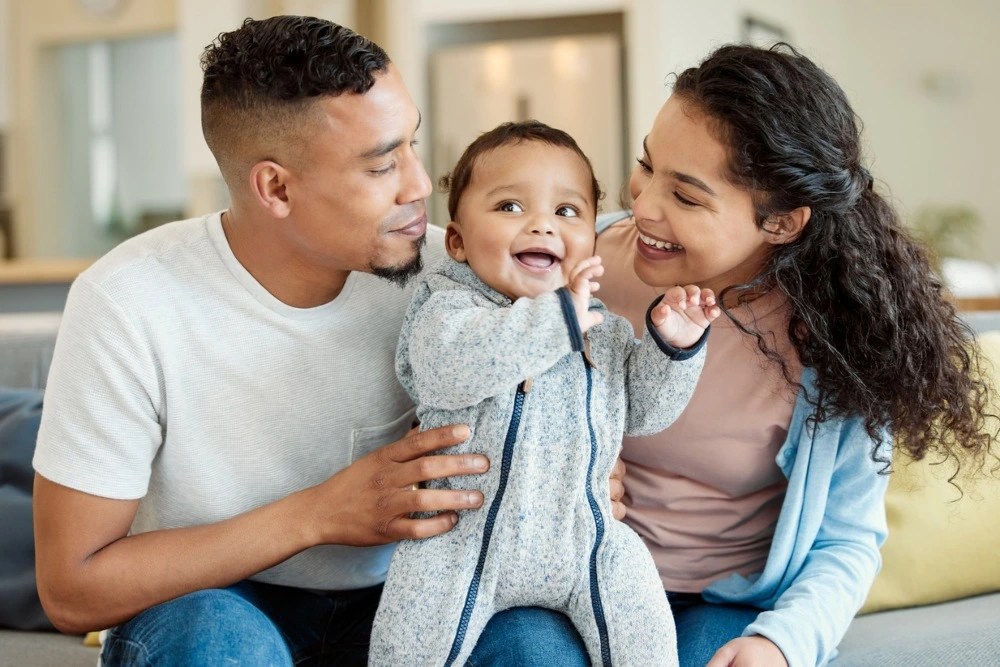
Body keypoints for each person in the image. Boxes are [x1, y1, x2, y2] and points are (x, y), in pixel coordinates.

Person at [31, 16, 592, 666]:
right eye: (383, 164)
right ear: (275, 187)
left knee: (538, 645)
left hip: (416, 593)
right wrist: (318, 514)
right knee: (215, 639)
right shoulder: (128, 301)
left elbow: (609, 282)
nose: (419, 185)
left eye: (412, 144)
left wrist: (582, 467)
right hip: (212, 600)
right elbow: (71, 588)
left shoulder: (459, 271)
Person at [596, 43, 995, 667]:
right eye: (648, 166)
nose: (642, 205)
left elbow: (848, 541)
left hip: (720, 603)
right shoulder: (578, 266)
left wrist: (781, 643)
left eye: (687, 196)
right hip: (579, 572)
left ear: (781, 222)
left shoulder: (838, 341)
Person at [369, 121, 720, 666]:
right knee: (406, 648)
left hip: (585, 540)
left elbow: (645, 412)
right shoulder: (447, 311)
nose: (541, 225)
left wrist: (674, 346)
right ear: (457, 240)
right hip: (460, 542)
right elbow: (450, 370)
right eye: (510, 207)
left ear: (592, 240)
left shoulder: (602, 331)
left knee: (645, 632)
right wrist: (557, 320)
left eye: (567, 211)